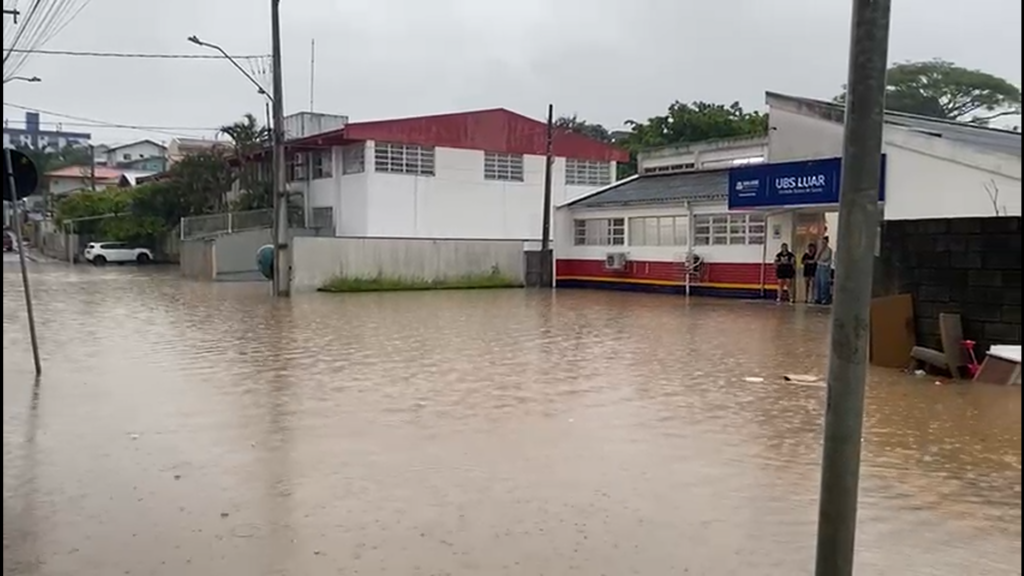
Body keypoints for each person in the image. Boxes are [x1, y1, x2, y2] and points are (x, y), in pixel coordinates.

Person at [815, 236, 834, 305]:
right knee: (818, 283)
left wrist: (821, 253)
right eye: (822, 242)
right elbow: (816, 258)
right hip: (819, 266)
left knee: (824, 283)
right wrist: (820, 251)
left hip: (825, 267)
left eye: (824, 242)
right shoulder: (819, 249)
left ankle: (825, 298)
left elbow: (824, 258)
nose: (823, 243)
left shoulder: (829, 250)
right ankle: (818, 298)